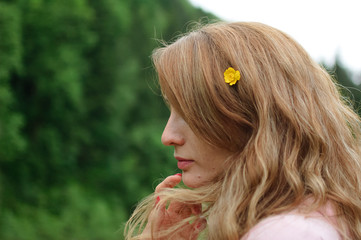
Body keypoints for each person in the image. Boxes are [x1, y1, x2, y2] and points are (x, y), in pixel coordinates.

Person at [124, 22, 361, 239]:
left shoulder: (285, 233)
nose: (167, 137)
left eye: (188, 114)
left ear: (252, 118)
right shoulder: (316, 217)